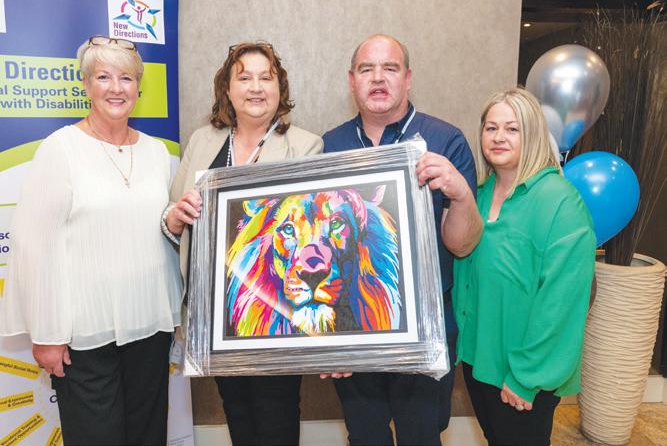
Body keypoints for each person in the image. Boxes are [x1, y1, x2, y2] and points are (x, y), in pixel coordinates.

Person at [0, 36, 182, 445]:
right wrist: (46, 334)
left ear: (138, 87)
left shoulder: (157, 153)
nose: (116, 88)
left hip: (150, 330)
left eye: (126, 78)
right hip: (85, 335)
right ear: (85, 84)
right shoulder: (61, 149)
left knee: (149, 435)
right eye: (103, 77)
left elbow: (161, 232)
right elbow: (34, 247)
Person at [321, 34, 483, 446]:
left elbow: (462, 245)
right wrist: (327, 341)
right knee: (364, 434)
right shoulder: (329, 147)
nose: (378, 78)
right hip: (354, 325)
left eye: (390, 68)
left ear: (408, 78)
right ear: (352, 80)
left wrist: (460, 193)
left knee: (422, 436)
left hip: (427, 325)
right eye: (367, 69)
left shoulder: (445, 141)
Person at [163, 41, 323, 446]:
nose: (255, 87)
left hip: (275, 312)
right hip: (215, 312)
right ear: (227, 90)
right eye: (244, 77)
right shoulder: (203, 140)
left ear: (280, 89)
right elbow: (172, 214)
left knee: (275, 414)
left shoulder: (306, 146)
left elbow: (310, 229)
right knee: (237, 411)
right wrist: (176, 215)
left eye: (266, 78)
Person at [453, 88, 596, 446]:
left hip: (523, 373)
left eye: (512, 128)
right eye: (491, 128)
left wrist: (526, 376)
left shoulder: (560, 201)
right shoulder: (479, 194)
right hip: (479, 361)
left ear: (532, 134)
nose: (498, 137)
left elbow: (562, 302)